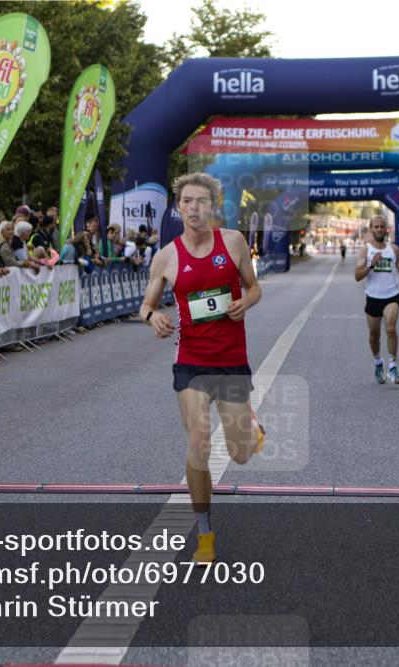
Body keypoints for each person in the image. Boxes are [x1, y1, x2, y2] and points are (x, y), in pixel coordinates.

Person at [139, 172, 264, 565]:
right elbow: (146, 305)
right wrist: (152, 318)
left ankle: (252, 428)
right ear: (178, 209)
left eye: (202, 202)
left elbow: (254, 286)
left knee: (241, 454)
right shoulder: (167, 256)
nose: (194, 208)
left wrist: (247, 302)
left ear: (213, 206)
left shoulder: (233, 242)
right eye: (187, 202)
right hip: (190, 362)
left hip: (230, 361)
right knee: (198, 443)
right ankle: (205, 533)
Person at [354, 216, 399, 384]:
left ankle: (392, 367)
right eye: (376, 226)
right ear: (371, 229)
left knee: (391, 329)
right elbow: (357, 276)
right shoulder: (366, 250)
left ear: (387, 229)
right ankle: (378, 362)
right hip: (373, 298)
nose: (379, 229)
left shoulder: (394, 249)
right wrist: (371, 264)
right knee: (374, 335)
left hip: (391, 296)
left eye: (382, 226)